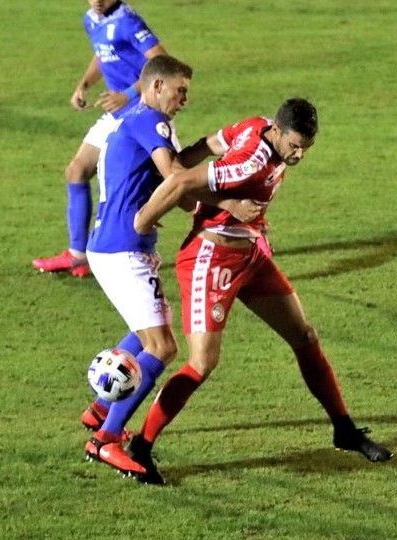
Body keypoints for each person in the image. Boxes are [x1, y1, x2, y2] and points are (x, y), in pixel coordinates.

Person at [126, 98, 394, 485]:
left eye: (306, 147)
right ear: (278, 133)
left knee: (304, 336)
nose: (298, 154)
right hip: (211, 259)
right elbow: (182, 182)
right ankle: (141, 446)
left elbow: (210, 143)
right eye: (294, 146)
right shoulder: (252, 161)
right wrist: (143, 223)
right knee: (202, 363)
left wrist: (187, 162)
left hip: (250, 255)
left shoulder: (257, 125)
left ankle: (344, 429)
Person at [79, 55, 264, 477]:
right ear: (157, 86)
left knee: (147, 328)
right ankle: (105, 440)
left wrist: (208, 157)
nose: (184, 99)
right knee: (161, 348)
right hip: (123, 248)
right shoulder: (153, 122)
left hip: (115, 242)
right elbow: (177, 182)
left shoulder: (140, 117)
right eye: (180, 91)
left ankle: (100, 407)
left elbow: (176, 177)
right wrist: (230, 202)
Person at [32, 0, 170, 277]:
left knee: (176, 180)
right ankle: (78, 256)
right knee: (76, 171)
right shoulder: (91, 19)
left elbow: (162, 64)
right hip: (116, 116)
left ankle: (235, 228)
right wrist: (83, 84)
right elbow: (102, 53)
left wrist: (127, 95)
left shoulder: (128, 21)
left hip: (142, 115)